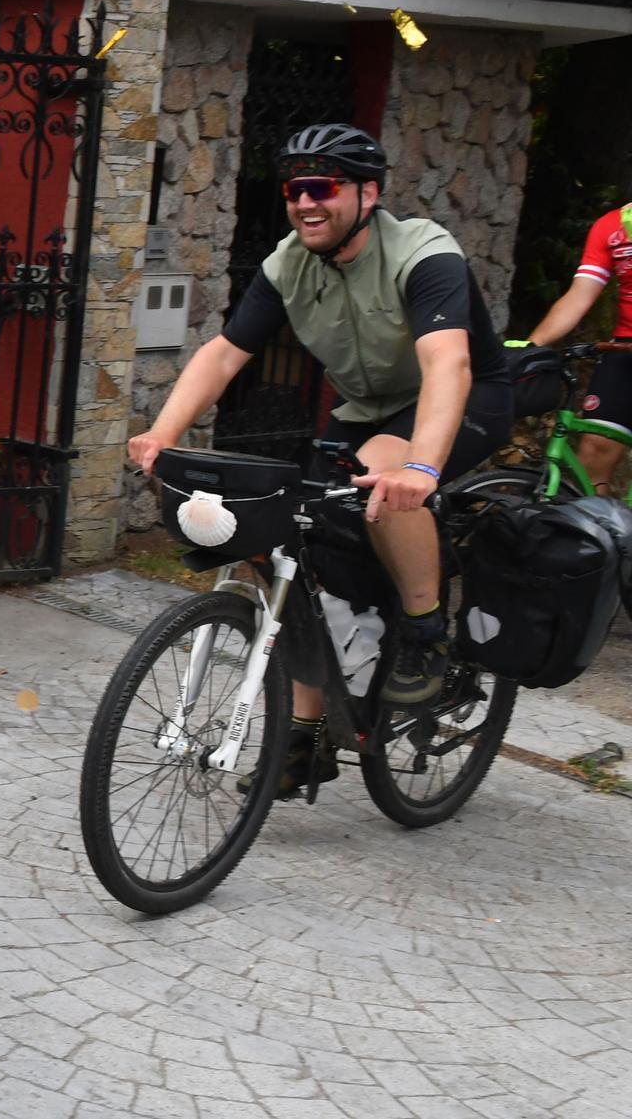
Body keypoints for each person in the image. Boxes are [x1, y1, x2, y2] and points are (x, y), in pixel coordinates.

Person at [128, 123, 514, 798]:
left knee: (384, 484)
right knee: (297, 545)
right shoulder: (289, 263)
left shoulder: (423, 255)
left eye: (323, 186)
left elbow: (445, 361)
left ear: (368, 193)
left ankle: (426, 633)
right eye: (294, 189)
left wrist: (421, 469)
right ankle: (305, 736)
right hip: (367, 407)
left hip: (460, 397)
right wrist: (160, 433)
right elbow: (224, 354)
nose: (305, 202)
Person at [520, 203, 632, 491]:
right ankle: (593, 533)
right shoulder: (612, 226)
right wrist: (530, 348)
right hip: (624, 350)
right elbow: (579, 296)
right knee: (593, 451)